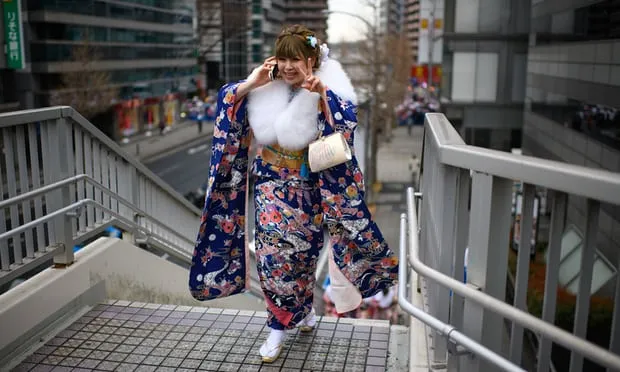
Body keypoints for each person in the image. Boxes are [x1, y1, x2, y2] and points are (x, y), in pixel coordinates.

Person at [189, 25, 398, 363]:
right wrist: (252, 83)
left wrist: (324, 96)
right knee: (272, 259)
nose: (288, 67)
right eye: (283, 59)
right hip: (270, 184)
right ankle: (276, 328)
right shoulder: (265, 85)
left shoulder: (329, 87)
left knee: (302, 259)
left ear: (312, 59)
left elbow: (345, 129)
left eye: (296, 59)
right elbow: (228, 100)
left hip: (309, 190)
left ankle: (302, 311)